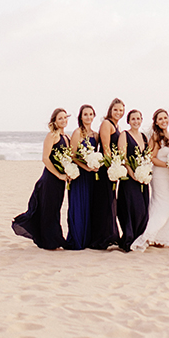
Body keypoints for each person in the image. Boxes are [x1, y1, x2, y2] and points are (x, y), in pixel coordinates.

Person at [12, 108, 71, 250]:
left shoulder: (67, 137)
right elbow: (45, 158)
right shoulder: (52, 136)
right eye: (60, 118)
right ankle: (49, 242)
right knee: (49, 209)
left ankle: (55, 238)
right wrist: (59, 175)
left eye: (65, 117)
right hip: (50, 179)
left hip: (61, 181)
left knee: (55, 209)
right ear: (55, 121)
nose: (63, 120)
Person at [131, 109, 169, 251]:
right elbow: (151, 158)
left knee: (164, 206)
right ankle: (147, 236)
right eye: (160, 119)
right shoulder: (156, 137)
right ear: (156, 122)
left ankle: (161, 239)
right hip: (160, 175)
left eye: (165, 118)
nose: (163, 121)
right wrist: (168, 165)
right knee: (163, 205)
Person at [90, 98, 125, 249]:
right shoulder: (106, 124)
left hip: (112, 168)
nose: (118, 112)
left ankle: (110, 235)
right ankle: (102, 238)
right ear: (110, 110)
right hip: (106, 169)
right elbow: (106, 148)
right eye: (116, 110)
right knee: (105, 202)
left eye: (121, 110)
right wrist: (113, 167)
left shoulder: (117, 126)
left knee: (110, 201)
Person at [65, 104, 100, 250]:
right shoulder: (77, 132)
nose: (88, 117)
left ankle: (89, 239)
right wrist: (86, 167)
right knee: (78, 206)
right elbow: (72, 155)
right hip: (79, 175)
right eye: (85, 114)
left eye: (91, 114)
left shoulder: (96, 135)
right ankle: (78, 238)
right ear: (81, 117)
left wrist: (96, 164)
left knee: (90, 206)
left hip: (92, 176)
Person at [117, 110, 150, 252]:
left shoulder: (143, 137)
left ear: (141, 120)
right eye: (133, 119)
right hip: (129, 180)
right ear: (128, 121)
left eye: (138, 118)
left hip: (142, 179)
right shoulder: (124, 135)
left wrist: (144, 174)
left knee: (143, 209)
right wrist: (132, 173)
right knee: (131, 208)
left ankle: (139, 238)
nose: (136, 121)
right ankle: (129, 238)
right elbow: (122, 157)